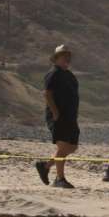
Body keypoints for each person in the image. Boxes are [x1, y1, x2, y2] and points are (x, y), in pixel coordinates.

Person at [36, 45, 80, 189]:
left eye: (68, 56)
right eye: (63, 55)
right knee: (63, 146)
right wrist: (55, 112)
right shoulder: (53, 73)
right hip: (58, 116)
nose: (67, 58)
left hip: (70, 117)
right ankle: (59, 179)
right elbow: (47, 94)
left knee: (72, 147)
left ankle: (45, 166)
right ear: (56, 58)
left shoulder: (69, 75)